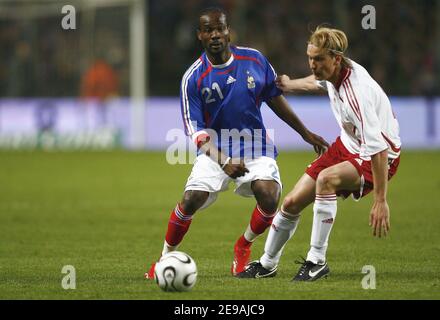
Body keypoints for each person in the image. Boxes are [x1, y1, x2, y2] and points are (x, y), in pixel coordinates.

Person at [145, 8, 328, 279]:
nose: (215, 34)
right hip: (215, 148)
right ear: (200, 36)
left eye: (220, 28)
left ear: (228, 31)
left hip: (255, 144)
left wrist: (305, 133)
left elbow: (275, 98)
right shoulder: (193, 78)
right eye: (208, 30)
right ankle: (165, 256)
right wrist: (223, 161)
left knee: (269, 195)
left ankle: (244, 244)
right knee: (190, 199)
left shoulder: (254, 60)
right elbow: (197, 134)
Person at [236, 26, 401, 281]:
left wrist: (380, 200)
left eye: (319, 59)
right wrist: (290, 85)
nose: (313, 64)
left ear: (336, 58)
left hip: (379, 156)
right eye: (310, 58)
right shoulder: (334, 71)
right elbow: (317, 82)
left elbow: (378, 147)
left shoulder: (358, 90)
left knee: (326, 179)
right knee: (291, 202)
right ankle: (267, 264)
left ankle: (316, 261)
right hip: (348, 145)